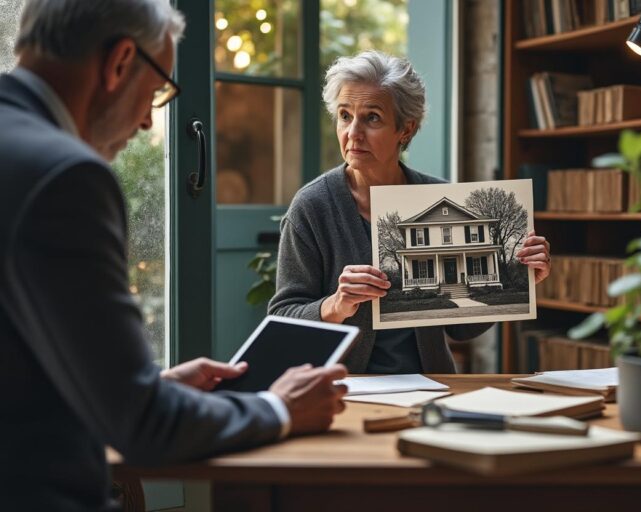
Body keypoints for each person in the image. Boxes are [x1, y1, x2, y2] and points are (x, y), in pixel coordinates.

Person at [0, 1, 347, 510]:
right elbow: (145, 427)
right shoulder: (64, 178)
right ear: (120, 62)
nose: (146, 121)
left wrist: (150, 384)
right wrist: (280, 407)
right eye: (158, 88)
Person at [269, 51, 551, 374]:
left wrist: (518, 280)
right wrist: (334, 305)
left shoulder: (438, 199)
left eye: (372, 117)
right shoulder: (311, 208)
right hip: (343, 389)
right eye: (345, 116)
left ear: (406, 129)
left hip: (430, 384)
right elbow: (282, 318)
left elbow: (461, 329)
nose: (353, 133)